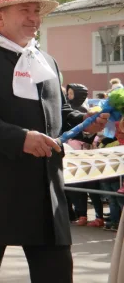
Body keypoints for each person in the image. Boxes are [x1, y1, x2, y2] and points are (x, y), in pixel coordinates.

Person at [0, 0, 109, 283]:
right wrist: (21, 138)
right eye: (25, 11)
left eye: (36, 12)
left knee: (58, 274)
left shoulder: (46, 61)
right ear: (0, 18)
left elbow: (58, 113)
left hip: (45, 195)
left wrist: (87, 123)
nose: (34, 18)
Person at [62, 83, 105, 227]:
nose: (69, 96)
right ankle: (81, 215)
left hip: (86, 157)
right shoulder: (67, 109)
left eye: (72, 93)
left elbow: (90, 136)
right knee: (75, 190)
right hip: (70, 157)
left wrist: (86, 131)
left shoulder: (82, 111)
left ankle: (99, 216)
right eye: (68, 93)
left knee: (92, 189)